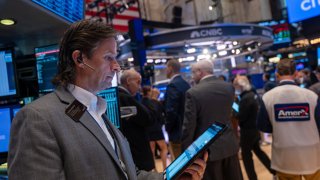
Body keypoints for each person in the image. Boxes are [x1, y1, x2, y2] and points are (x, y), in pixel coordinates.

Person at [8, 20, 207, 180]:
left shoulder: (98, 111)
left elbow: (129, 174)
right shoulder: (36, 118)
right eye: (108, 57)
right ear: (79, 59)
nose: (116, 67)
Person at [257, 58, 320, 180]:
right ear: (296, 74)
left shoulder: (267, 97)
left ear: (277, 75)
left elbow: (263, 127)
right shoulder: (311, 96)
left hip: (284, 155)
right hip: (312, 154)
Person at [182, 60, 242, 180]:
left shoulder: (193, 93)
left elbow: (189, 127)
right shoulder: (229, 87)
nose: (192, 77)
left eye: (193, 73)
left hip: (207, 151)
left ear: (200, 72)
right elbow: (229, 115)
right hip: (230, 146)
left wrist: (186, 156)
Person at [233, 76, 275, 180]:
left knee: (246, 156)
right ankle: (274, 171)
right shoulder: (253, 95)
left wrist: (233, 106)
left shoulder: (245, 99)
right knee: (257, 150)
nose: (235, 87)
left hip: (247, 131)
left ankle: (253, 177)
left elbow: (240, 116)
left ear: (240, 85)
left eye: (236, 85)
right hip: (254, 129)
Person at [118, 69, 155, 171]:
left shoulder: (116, 96)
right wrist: (149, 99)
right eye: (138, 82)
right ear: (129, 81)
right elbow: (148, 118)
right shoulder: (125, 98)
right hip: (137, 156)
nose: (139, 87)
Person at [164, 59, 190, 159]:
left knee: (179, 166)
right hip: (187, 131)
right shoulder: (186, 84)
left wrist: (167, 128)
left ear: (170, 68)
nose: (166, 70)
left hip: (176, 133)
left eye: (166, 68)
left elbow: (171, 111)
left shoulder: (173, 85)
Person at [141, 86, 168, 171]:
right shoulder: (157, 103)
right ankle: (165, 168)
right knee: (164, 149)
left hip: (148, 129)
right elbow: (162, 116)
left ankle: (155, 170)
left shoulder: (142, 102)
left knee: (151, 151)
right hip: (157, 129)